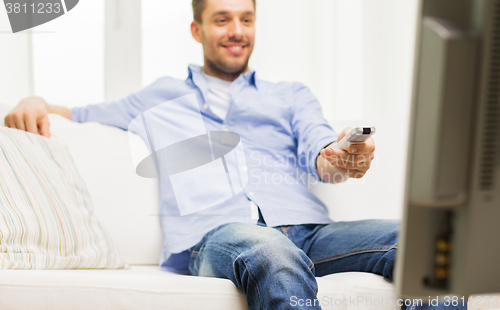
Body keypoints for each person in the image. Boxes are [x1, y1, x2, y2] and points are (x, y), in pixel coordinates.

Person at [5, 0, 468, 309]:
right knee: (269, 250)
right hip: (217, 236)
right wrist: (34, 101)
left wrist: (341, 157)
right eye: (222, 19)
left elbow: (321, 151)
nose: (237, 31)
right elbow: (77, 113)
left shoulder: (289, 95)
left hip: (308, 233)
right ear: (197, 28)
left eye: (246, 19)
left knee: (423, 238)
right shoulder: (159, 97)